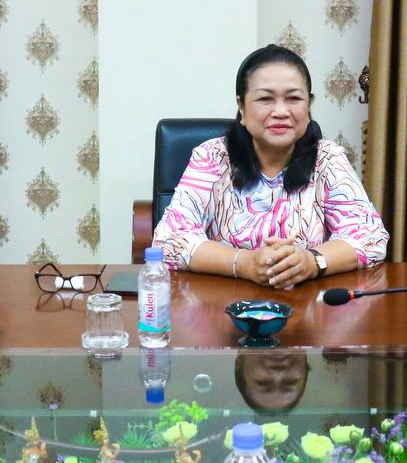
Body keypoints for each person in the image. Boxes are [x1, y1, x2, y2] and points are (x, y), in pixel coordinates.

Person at [152, 44, 389, 290]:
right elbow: (169, 240)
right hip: (224, 302)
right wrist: (244, 263)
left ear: (308, 106)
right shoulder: (212, 157)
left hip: (308, 304)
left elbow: (370, 237)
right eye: (265, 99)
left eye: (294, 98)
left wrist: (312, 261)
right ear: (241, 106)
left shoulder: (327, 159)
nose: (281, 111)